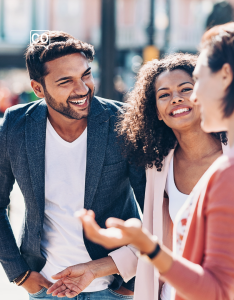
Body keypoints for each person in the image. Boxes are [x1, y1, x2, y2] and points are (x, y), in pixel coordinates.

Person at [77, 23, 234, 300]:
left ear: (226, 77)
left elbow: (216, 290)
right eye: (165, 94)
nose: (191, 97)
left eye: (198, 79)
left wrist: (149, 247)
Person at [48, 53, 227, 300]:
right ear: (157, 113)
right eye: (164, 95)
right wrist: (93, 270)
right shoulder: (159, 167)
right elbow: (158, 242)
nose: (176, 98)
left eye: (186, 89)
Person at [0, 31, 145, 300]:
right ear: (38, 88)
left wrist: (126, 279)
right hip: (46, 288)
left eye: (86, 75)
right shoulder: (15, 126)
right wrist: (19, 273)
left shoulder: (123, 122)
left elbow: (154, 208)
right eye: (66, 81)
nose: (82, 89)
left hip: (114, 287)